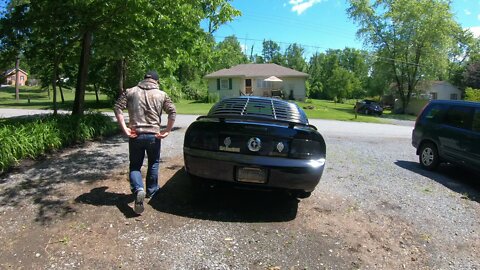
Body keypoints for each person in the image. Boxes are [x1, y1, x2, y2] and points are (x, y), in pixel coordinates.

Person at [114, 70, 176, 214]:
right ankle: (151, 190)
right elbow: (172, 112)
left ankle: (138, 189)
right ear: (156, 81)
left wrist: (125, 129)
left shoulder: (130, 91)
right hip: (153, 135)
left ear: (144, 79)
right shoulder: (162, 94)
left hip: (135, 134)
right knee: (153, 162)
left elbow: (117, 107)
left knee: (135, 165)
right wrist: (167, 130)